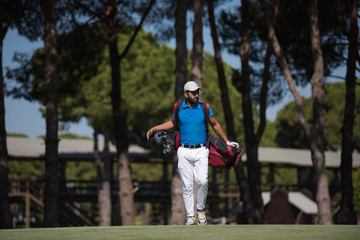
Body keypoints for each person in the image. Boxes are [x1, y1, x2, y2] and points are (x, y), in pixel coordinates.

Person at [146, 81, 239, 225]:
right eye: (193, 92)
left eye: (197, 92)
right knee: (187, 186)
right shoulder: (178, 107)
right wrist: (155, 128)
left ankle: (201, 211)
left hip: (202, 150)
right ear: (186, 94)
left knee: (202, 181)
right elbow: (172, 123)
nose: (196, 95)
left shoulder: (205, 108)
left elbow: (215, 125)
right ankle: (190, 217)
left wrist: (227, 142)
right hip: (183, 152)